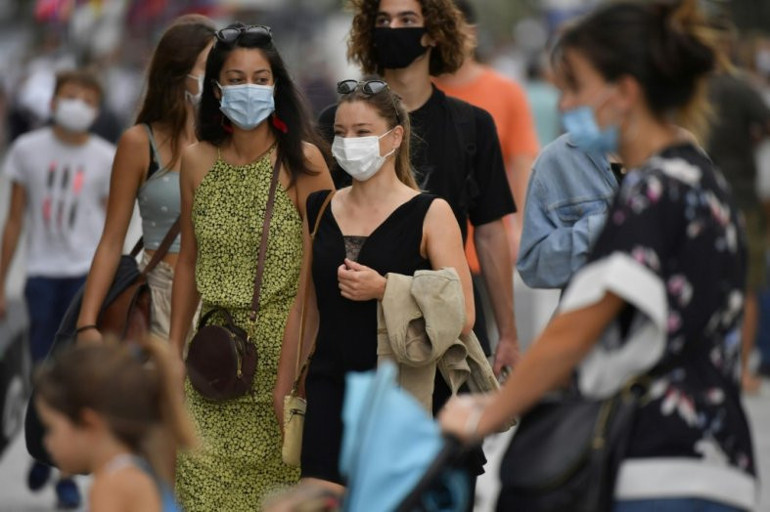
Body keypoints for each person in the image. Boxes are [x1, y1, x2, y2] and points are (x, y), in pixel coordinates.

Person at [440, 1, 758, 511]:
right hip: (715, 459)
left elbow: (577, 328)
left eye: (576, 88)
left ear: (624, 93)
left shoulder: (655, 193)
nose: (564, 106)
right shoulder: (700, 181)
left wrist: (494, 408)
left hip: (657, 463)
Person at [168, 23, 333, 511]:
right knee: (198, 492)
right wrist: (172, 354)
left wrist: (296, 373)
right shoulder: (196, 160)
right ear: (216, 90)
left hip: (281, 364)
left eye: (261, 78)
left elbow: (316, 276)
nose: (249, 89)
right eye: (236, 79)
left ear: (277, 86)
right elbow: (188, 263)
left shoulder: (303, 162)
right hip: (211, 363)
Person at [282, 79, 474, 493]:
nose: (349, 142)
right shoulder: (320, 208)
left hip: (403, 391)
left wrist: (386, 288)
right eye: (340, 132)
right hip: (329, 386)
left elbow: (463, 314)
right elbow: (305, 307)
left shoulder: (430, 212)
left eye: (362, 132)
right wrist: (287, 387)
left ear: (395, 137)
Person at [319, 0, 519, 375]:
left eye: (407, 20)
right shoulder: (338, 124)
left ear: (433, 33)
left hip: (448, 313)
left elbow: (490, 233)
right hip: (354, 320)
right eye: (383, 20)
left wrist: (508, 334)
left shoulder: (471, 125)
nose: (393, 29)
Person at [0, 68, 114, 509]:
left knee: (75, 374)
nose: (77, 105)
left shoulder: (106, 157)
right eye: (70, 96)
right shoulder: (27, 150)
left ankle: (63, 470)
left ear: (97, 109)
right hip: (41, 275)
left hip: (84, 277)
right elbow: (14, 220)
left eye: (88, 99)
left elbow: (112, 222)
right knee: (43, 371)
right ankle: (43, 445)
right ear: (52, 102)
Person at [76, 15, 215, 345]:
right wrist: (86, 323)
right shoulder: (140, 142)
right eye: (210, 64)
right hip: (157, 295)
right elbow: (112, 240)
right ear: (179, 72)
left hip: (217, 299)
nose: (220, 76)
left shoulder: (228, 143)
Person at [34, 337, 197, 512]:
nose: (47, 442)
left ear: (89, 424)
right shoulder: (142, 467)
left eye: (51, 429)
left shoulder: (111, 486)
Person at [435, 0, 540, 264]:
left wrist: (518, 229)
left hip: (487, 247)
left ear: (472, 32)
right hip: (425, 248)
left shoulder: (506, 91)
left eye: (451, 28)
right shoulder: (418, 93)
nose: (441, 38)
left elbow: (522, 161)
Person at [704, 20, 770, 394]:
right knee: (746, 286)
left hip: (695, 197)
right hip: (741, 196)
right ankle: (741, 371)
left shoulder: (685, 88)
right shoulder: (739, 87)